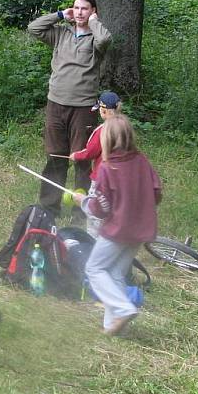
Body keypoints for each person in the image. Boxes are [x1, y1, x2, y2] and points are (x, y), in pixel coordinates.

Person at [74, 114, 162, 336]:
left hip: (117, 230)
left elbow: (101, 208)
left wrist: (84, 201)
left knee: (94, 268)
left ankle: (123, 309)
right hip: (139, 230)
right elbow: (157, 193)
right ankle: (114, 328)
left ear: (107, 140)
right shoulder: (142, 161)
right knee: (115, 274)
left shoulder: (107, 168)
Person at [27, 0, 112, 219]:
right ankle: (49, 207)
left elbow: (105, 40)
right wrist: (59, 15)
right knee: (56, 156)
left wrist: (93, 22)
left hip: (83, 107)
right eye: (76, 8)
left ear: (93, 11)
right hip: (56, 103)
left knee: (82, 158)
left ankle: (81, 209)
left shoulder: (95, 38)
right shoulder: (61, 33)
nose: (80, 12)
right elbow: (34, 28)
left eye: (85, 8)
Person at [70, 91, 122, 237]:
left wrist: (76, 155)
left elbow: (90, 152)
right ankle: (111, 233)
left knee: (94, 209)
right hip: (119, 178)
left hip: (101, 177)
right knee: (112, 207)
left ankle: (93, 240)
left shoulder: (101, 131)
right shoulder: (123, 128)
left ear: (104, 110)